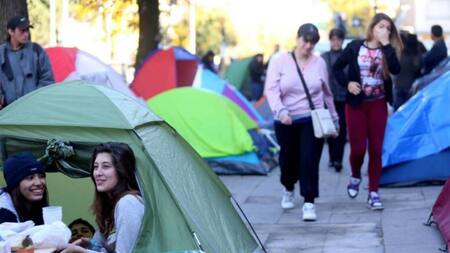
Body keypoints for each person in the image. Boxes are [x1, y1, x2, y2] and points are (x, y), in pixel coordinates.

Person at [265, 23, 339, 221]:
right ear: (297, 39)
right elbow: (271, 90)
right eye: (305, 41)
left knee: (309, 160)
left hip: (310, 118)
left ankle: (309, 202)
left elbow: (327, 93)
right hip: (286, 120)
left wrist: (334, 119)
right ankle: (288, 186)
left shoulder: (319, 63)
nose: (308, 46)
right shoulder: (279, 61)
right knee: (288, 161)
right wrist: (280, 111)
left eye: (312, 43)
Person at [333, 13, 402, 210]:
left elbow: (396, 70)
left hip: (378, 105)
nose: (385, 31)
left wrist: (387, 45)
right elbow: (337, 68)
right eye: (381, 26)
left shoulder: (388, 50)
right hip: (356, 105)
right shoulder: (355, 47)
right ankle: (355, 175)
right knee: (357, 149)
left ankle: (373, 192)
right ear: (372, 28)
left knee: (376, 150)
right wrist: (347, 84)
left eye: (388, 28)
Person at [62, 142, 144, 253]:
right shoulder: (109, 206)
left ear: (122, 170)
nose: (97, 173)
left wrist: (81, 252)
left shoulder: (128, 203)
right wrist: (91, 246)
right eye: (95, 167)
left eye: (106, 166)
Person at [0, 15, 54, 109]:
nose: (26, 34)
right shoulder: (1, 53)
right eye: (22, 30)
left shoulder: (36, 50)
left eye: (27, 30)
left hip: (34, 110)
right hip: (8, 112)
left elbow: (47, 79)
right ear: (11, 31)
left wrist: (35, 100)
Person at [321, 28, 347, 172]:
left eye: (338, 39)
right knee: (330, 130)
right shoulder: (324, 57)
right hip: (328, 99)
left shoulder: (347, 56)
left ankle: (339, 159)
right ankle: (332, 157)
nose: (336, 42)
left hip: (344, 98)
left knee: (342, 129)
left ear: (342, 40)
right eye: (333, 39)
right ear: (330, 40)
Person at [0, 151, 48, 225]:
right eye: (30, 178)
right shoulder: (4, 214)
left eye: (41, 176)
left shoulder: (34, 207)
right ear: (15, 184)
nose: (38, 183)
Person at [392, 32, 423, 110]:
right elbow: (417, 68)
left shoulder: (399, 53)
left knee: (397, 109)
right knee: (409, 110)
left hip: (398, 84)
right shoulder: (416, 55)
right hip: (411, 85)